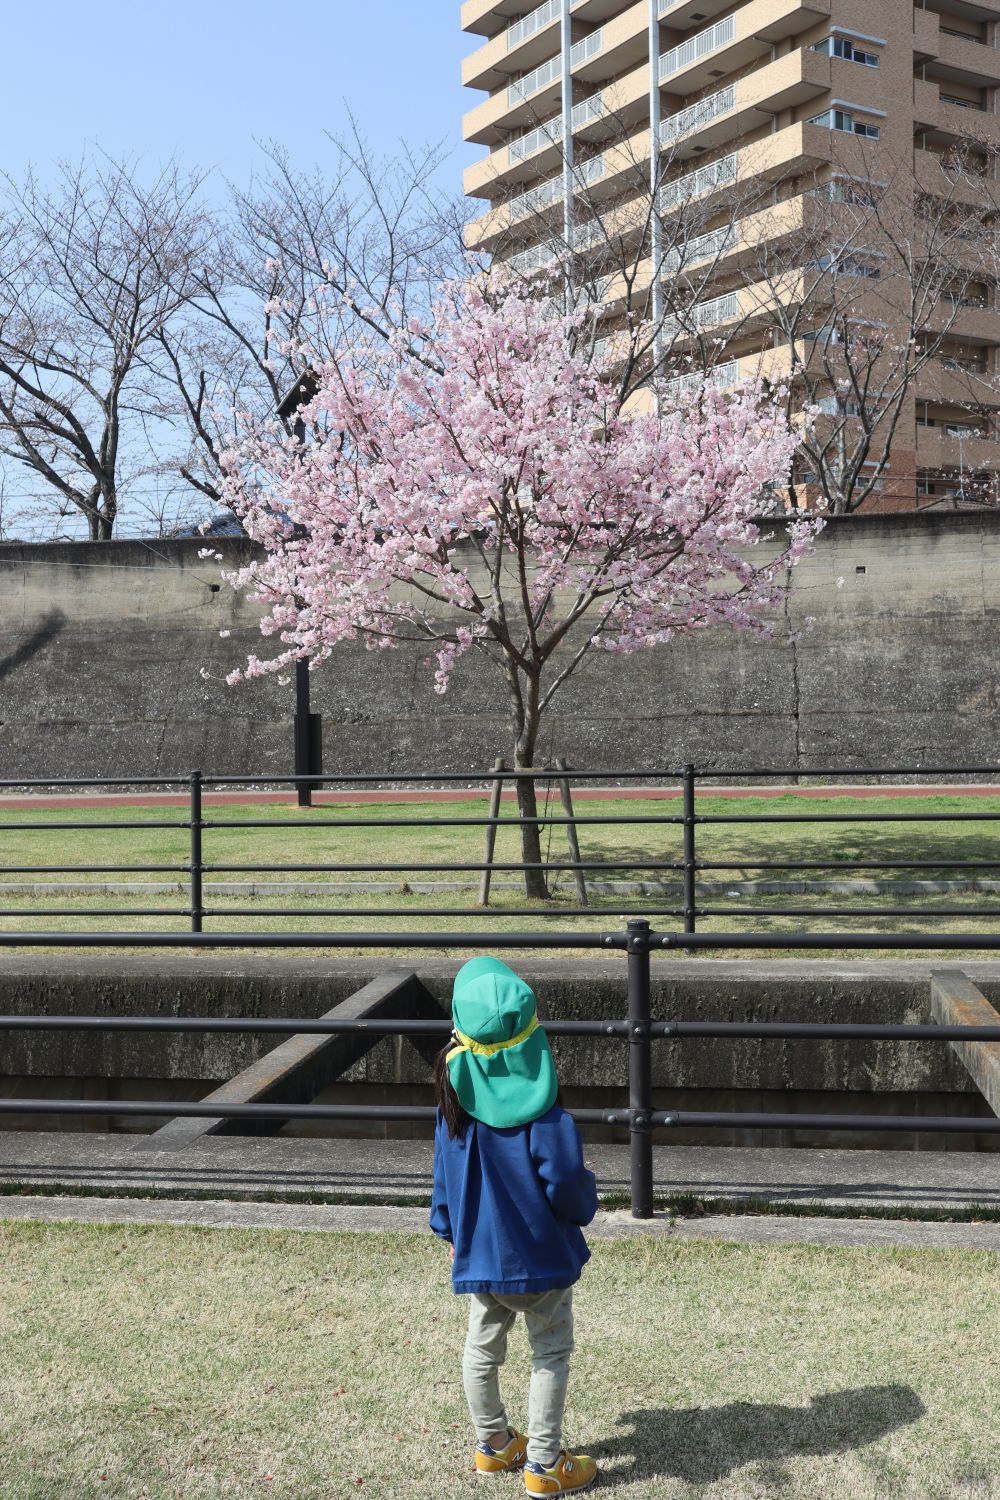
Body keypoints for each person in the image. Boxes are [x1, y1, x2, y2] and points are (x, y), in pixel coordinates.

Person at [429, 955, 600, 1495]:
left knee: (482, 1349)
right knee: (549, 1351)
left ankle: (494, 1443)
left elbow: (443, 1178)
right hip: (543, 1257)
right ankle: (545, 1465)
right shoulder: (548, 1116)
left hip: (479, 1254)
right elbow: (569, 1183)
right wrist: (582, 1209)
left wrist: (447, 1226)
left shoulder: (453, 1104)